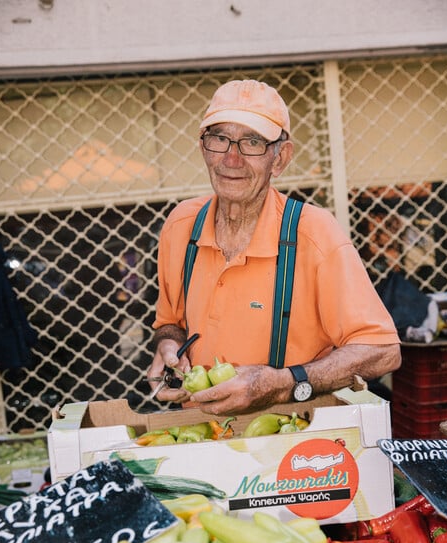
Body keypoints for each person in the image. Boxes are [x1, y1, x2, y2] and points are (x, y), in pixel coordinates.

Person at [147, 79, 401, 415]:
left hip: (294, 443)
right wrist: (168, 347)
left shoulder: (313, 232)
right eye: (219, 138)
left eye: (251, 142)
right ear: (203, 147)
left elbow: (382, 350)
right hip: (200, 435)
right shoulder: (182, 226)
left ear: (279, 158)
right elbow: (171, 322)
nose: (231, 158)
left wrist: (281, 384)